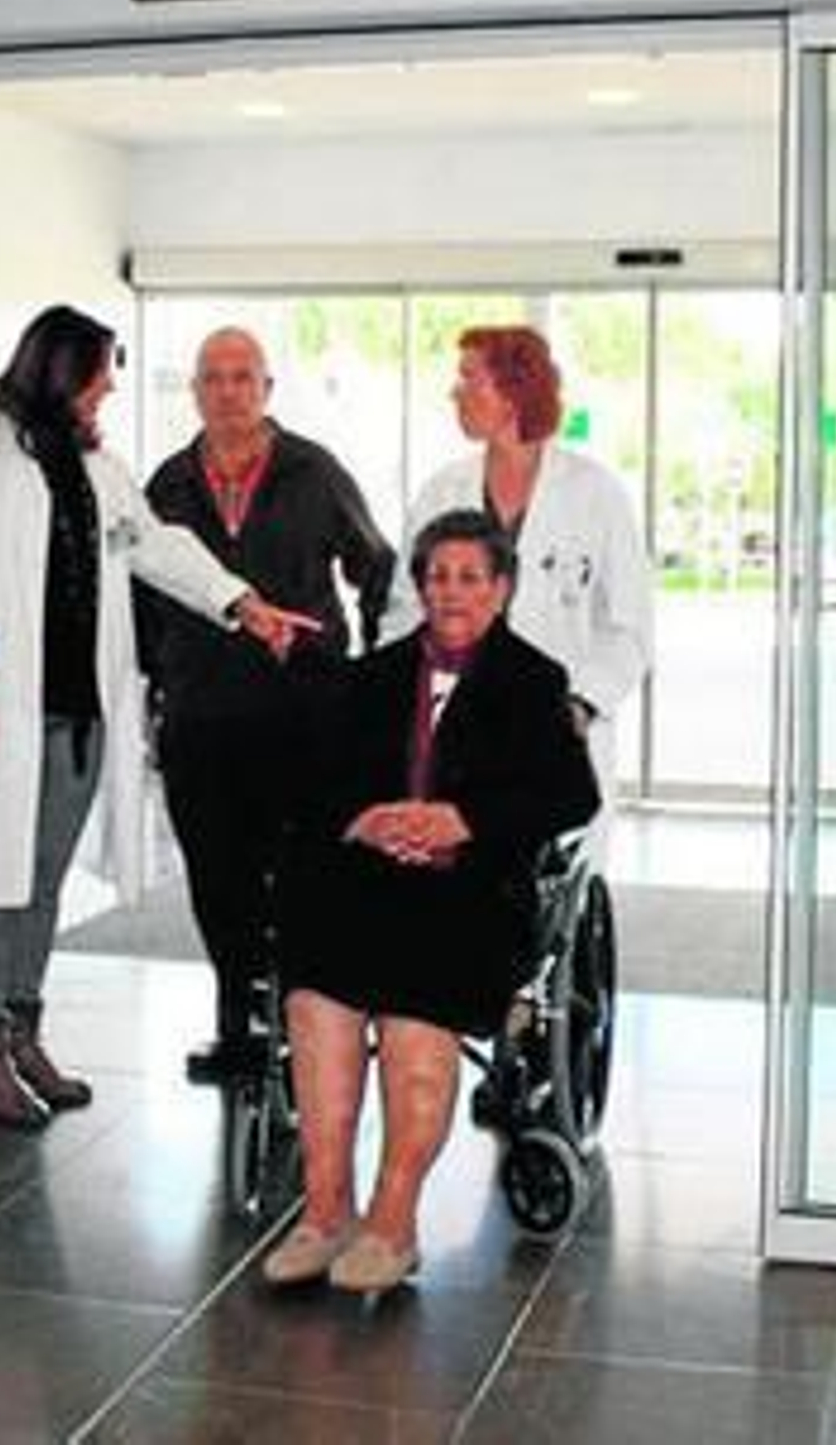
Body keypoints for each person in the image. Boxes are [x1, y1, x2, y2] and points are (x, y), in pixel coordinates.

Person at [0, 305, 319, 1130]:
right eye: (101, 375)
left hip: (80, 717)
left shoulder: (99, 470)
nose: (109, 391)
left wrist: (242, 603)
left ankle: (24, 1028)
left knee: (42, 881)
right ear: (61, 372)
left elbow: (160, 547)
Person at [266, 509, 599, 1293]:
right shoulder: (372, 677)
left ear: (502, 588)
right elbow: (314, 785)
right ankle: (323, 1212)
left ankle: (391, 1220)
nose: (451, 591)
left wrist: (462, 818)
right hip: (370, 879)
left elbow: (568, 794)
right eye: (438, 576)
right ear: (419, 586)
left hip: (470, 890)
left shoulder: (533, 680)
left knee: (417, 1004)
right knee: (318, 994)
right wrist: (366, 819)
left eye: (470, 577)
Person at [139, 326, 395, 1084]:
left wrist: (364, 672)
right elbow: (142, 587)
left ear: (267, 388)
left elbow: (373, 564)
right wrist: (162, 673)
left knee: (302, 874)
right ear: (195, 392)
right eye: (213, 377)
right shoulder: (167, 484)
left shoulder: (314, 470)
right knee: (218, 877)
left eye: (242, 376)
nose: (228, 390)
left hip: (304, 714)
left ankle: (306, 1025)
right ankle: (239, 1027)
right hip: (201, 718)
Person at [387, 324, 652, 802]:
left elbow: (630, 629)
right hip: (453, 724)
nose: (455, 392)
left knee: (551, 865)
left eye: (468, 378)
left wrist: (579, 706)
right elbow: (405, 611)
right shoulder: (441, 492)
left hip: (558, 727)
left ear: (512, 392)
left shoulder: (595, 494)